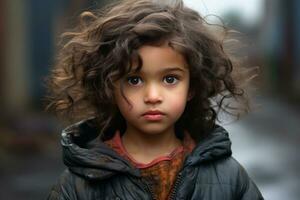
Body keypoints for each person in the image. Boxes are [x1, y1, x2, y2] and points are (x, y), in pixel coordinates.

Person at [46, 0, 264, 199]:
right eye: (134, 80)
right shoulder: (79, 184)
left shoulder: (228, 177)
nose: (152, 96)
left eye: (170, 79)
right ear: (108, 86)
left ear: (192, 87)